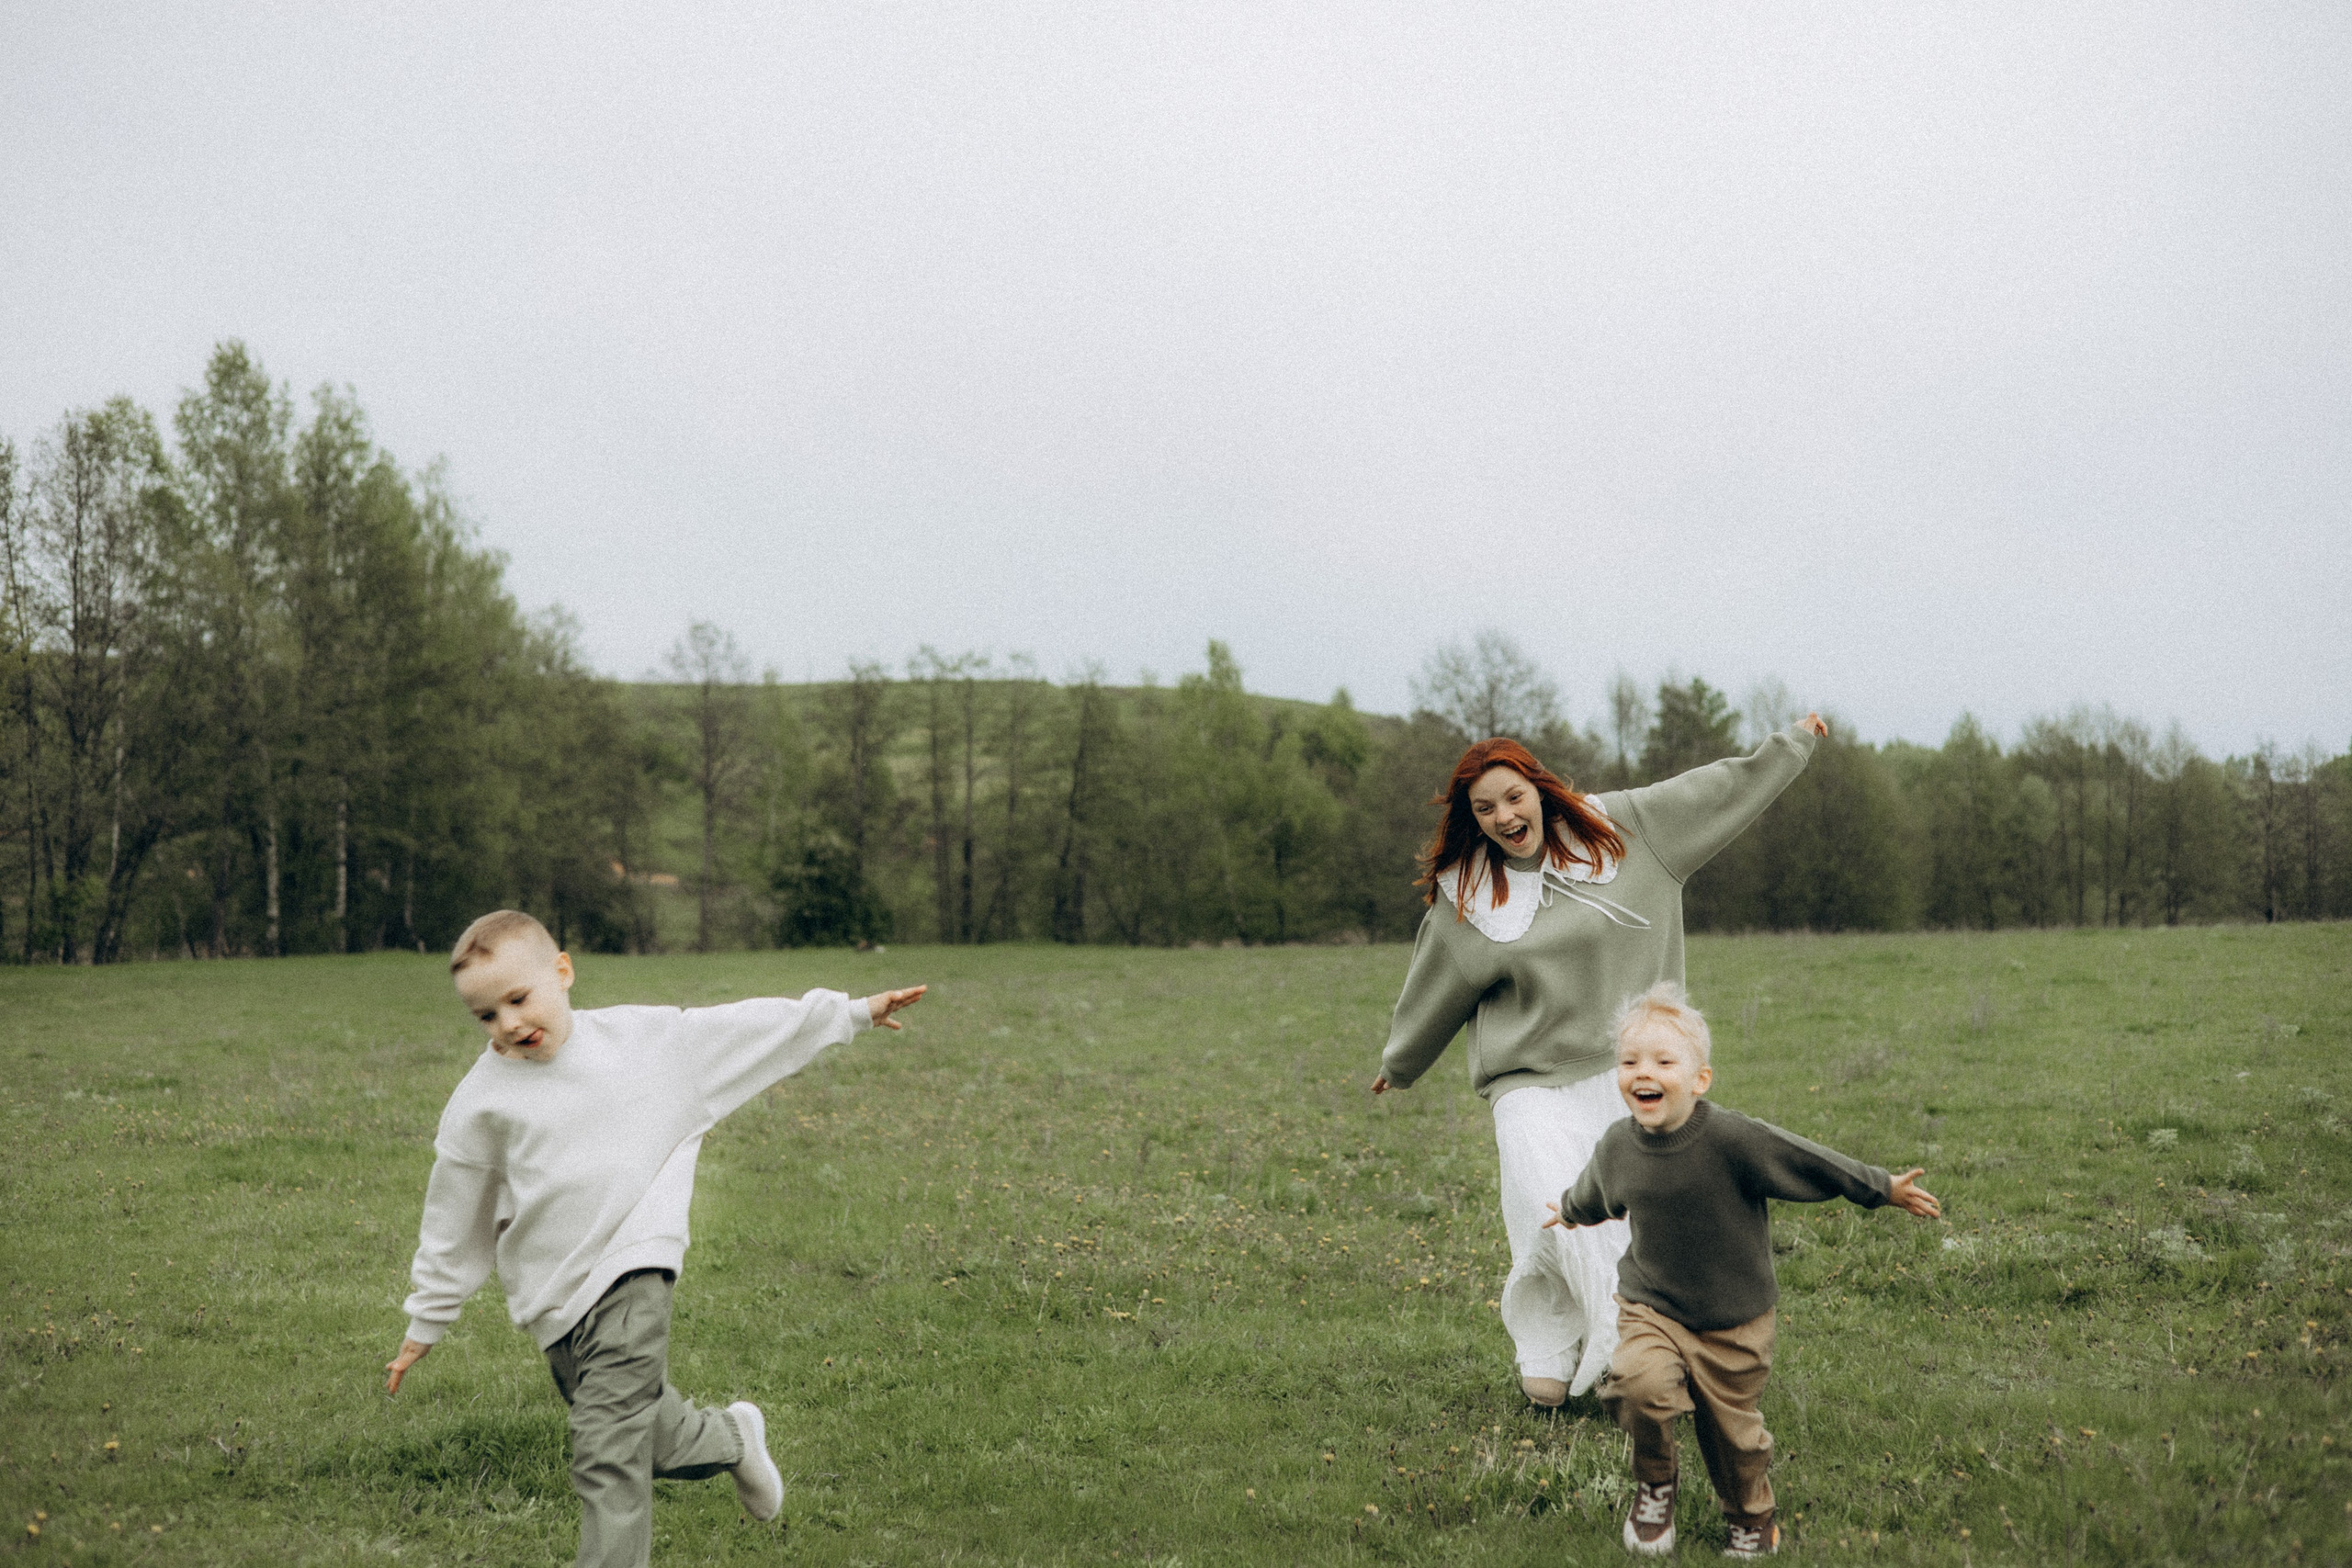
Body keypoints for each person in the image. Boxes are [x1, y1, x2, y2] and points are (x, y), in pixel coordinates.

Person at [382, 909, 926, 1568]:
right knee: (650, 1438)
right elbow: (456, 1215)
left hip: (635, 1271)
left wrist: (851, 1013)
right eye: (487, 1015)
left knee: (606, 1452)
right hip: (554, 1306)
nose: (509, 1024)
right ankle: (732, 1437)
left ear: (563, 971)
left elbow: (744, 1029)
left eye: (519, 999)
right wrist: (427, 1319)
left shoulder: (644, 1044)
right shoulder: (481, 1103)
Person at [1374, 716, 1826, 1406]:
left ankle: (1624, 1350)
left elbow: (1718, 789)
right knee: (1553, 1208)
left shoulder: (1627, 828)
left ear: (1539, 787)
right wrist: (1401, 1062)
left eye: (1513, 796)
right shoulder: (1469, 894)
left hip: (1630, 1075)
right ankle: (1581, 1346)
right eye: (1484, 808)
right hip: (1528, 1085)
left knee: (1634, 1219)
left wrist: (1790, 745)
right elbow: (1435, 986)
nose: (1504, 815)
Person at [1544, 983, 1939, 1559]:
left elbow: (1806, 1158)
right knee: (1638, 1386)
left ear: (1700, 1079)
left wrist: (1881, 1187)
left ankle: (1752, 1517)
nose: (1642, 1072)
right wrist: (1571, 1212)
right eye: (1629, 1061)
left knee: (1734, 1436)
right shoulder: (1618, 1146)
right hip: (1653, 1306)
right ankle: (1656, 1486)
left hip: (1736, 1319)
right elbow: (1594, 1191)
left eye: (1662, 1060)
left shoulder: (1732, 1139)